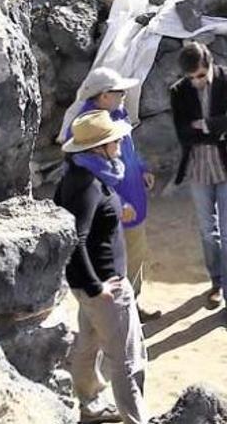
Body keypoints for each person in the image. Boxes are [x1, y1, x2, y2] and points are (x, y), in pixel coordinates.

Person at [55, 110, 148, 424]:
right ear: (98, 148)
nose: (120, 142)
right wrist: (98, 287)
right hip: (106, 287)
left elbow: (75, 221)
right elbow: (74, 238)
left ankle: (89, 403)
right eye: (114, 139)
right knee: (129, 362)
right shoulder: (90, 185)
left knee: (87, 345)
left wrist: (115, 208)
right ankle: (136, 419)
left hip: (85, 287)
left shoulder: (78, 176)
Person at [66, 67, 161, 322]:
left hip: (134, 201)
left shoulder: (117, 113)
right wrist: (117, 203)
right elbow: (87, 177)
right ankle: (118, 314)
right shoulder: (85, 128)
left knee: (137, 256)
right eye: (119, 92)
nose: (124, 95)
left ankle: (132, 307)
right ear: (104, 95)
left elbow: (129, 148)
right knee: (115, 264)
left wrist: (141, 168)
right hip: (114, 212)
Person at [169, 41, 227, 329]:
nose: (197, 82)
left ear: (211, 65)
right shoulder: (180, 91)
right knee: (208, 231)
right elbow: (183, 134)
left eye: (201, 76)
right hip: (198, 169)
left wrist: (203, 125)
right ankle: (216, 282)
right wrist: (219, 125)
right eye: (192, 77)